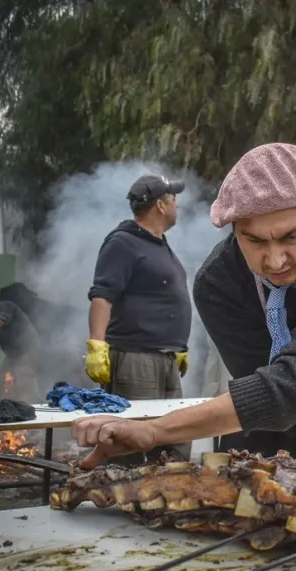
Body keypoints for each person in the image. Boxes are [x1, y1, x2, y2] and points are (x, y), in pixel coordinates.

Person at [72, 143, 296, 491]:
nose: (275, 261)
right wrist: (151, 433)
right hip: (267, 409)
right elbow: (278, 394)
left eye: (291, 236)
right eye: (255, 241)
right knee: (261, 505)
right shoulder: (218, 283)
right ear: (234, 231)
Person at [85, 174, 193, 463]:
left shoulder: (159, 244)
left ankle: (169, 502)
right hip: (136, 358)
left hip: (166, 358)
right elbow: (102, 297)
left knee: (175, 439)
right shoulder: (124, 242)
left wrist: (178, 345)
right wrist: (97, 345)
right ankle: (122, 501)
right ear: (160, 205)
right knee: (134, 443)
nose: (177, 205)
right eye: (173, 199)